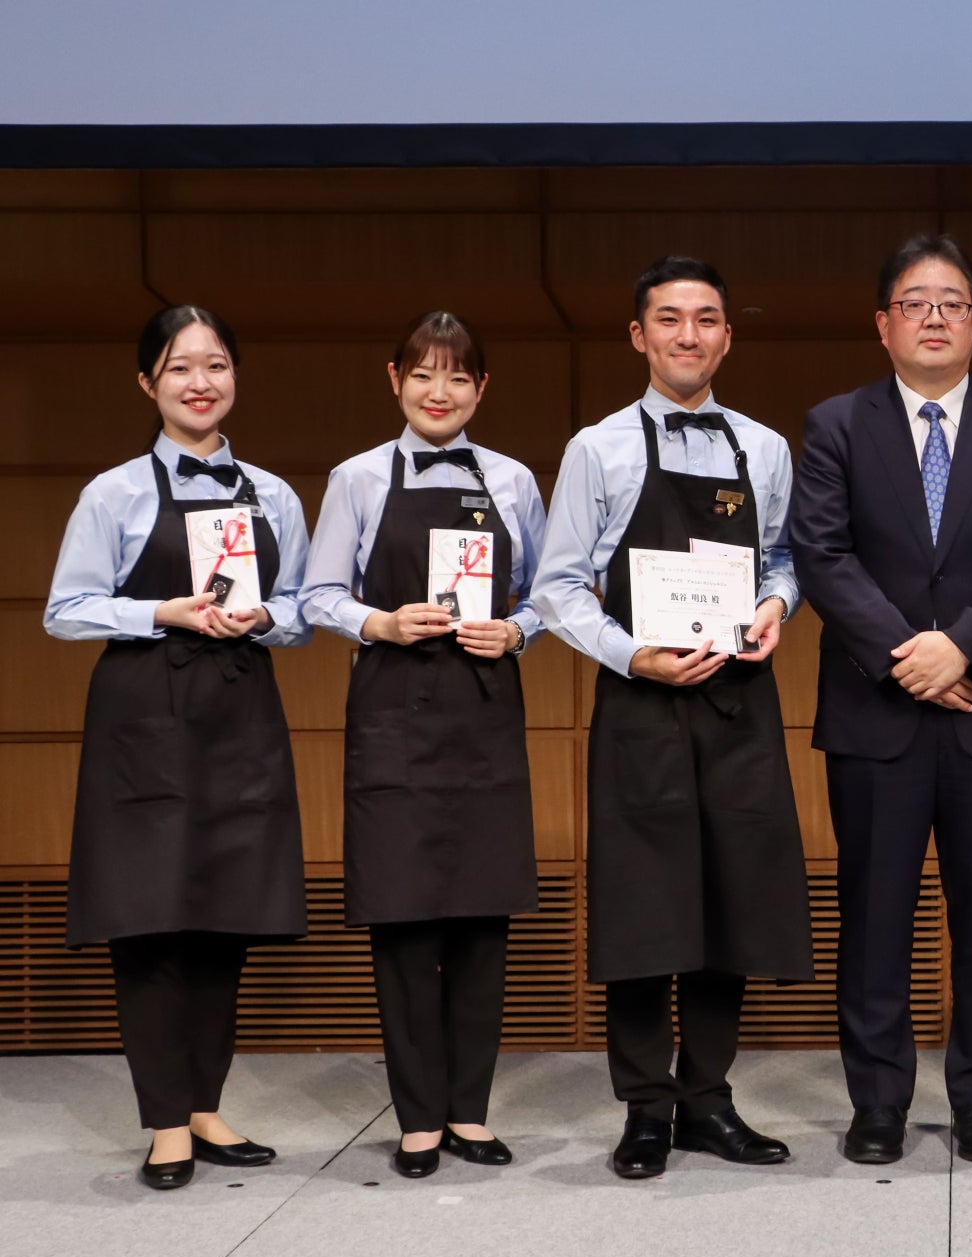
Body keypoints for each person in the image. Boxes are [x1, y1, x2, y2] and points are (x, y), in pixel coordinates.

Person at [534, 256, 813, 1180]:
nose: (687, 336)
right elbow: (560, 586)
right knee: (646, 909)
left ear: (728, 335)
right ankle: (645, 1108)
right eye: (669, 320)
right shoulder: (597, 448)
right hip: (642, 705)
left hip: (740, 704)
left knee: (734, 902)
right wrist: (631, 654)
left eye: (705, 320)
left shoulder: (764, 449)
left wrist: (776, 609)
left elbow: (782, 564)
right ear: (639, 336)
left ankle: (707, 1098)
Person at [790, 234, 972, 1165]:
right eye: (915, 302)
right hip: (878, 710)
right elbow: (823, 554)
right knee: (874, 918)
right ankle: (877, 1104)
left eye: (952, 302)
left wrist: (963, 650)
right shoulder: (834, 424)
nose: (935, 316)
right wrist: (911, 658)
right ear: (883, 324)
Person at [45, 305, 312, 1191]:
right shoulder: (114, 493)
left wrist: (266, 614)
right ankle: (165, 1122)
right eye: (181, 367)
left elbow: (305, 611)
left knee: (222, 921)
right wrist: (162, 610)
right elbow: (67, 609)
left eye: (218, 365)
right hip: (144, 724)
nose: (202, 382)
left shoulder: (272, 494)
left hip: (240, 718)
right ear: (148, 383)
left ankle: (204, 1105)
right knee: (151, 923)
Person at [299, 312, 546, 1178]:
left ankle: (469, 1113)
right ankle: (416, 1118)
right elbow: (315, 594)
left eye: (459, 378)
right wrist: (381, 621)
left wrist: (515, 633)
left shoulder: (513, 480)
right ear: (394, 378)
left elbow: (551, 593)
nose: (440, 393)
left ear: (482, 390)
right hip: (394, 712)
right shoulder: (358, 478)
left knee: (482, 921)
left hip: (483, 712)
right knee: (404, 921)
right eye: (424, 376)